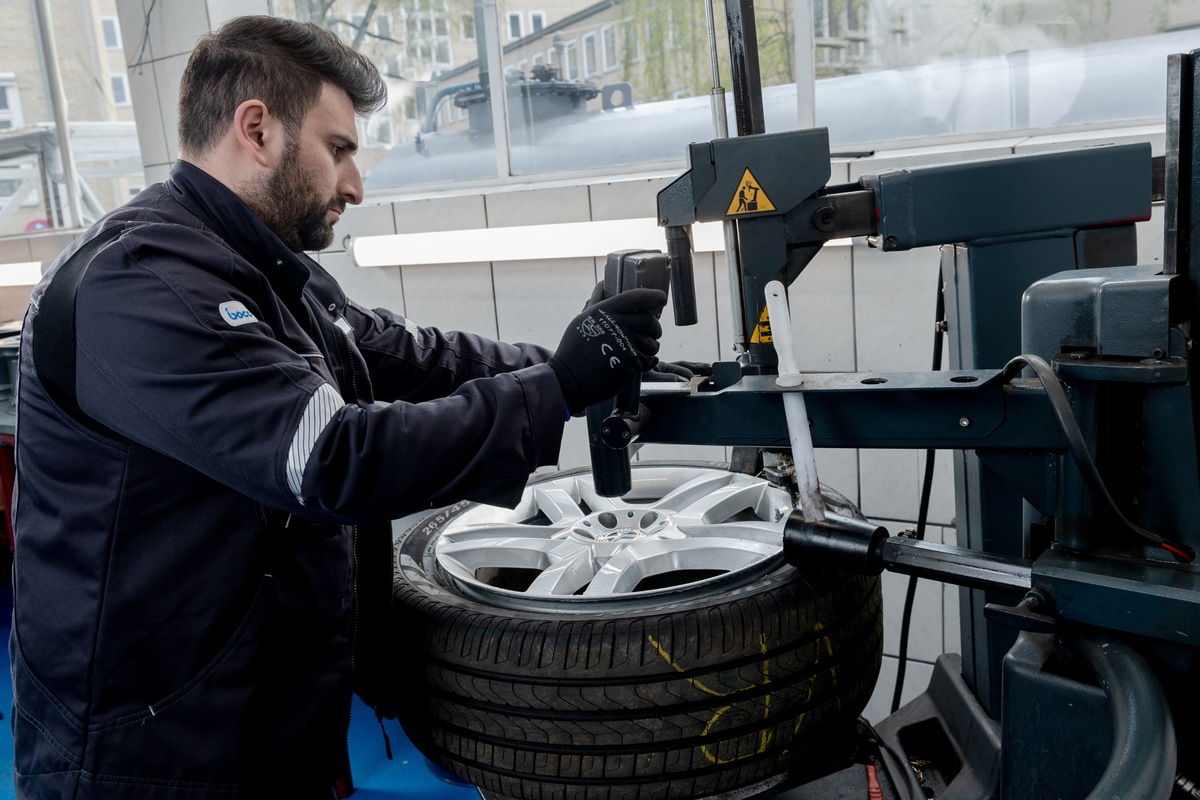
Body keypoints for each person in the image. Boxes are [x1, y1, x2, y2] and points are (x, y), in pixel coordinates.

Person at [8, 15, 669, 800]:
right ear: (256, 128)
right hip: (151, 754)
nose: (354, 186)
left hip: (263, 715)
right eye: (339, 150)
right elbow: (333, 459)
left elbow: (406, 356)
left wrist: (570, 363)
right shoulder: (142, 283)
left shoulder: (256, 267)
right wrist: (556, 390)